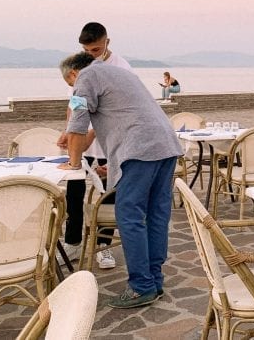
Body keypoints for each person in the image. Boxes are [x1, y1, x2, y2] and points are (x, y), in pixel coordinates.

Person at [59, 52, 184, 308]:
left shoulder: (85, 77)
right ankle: (154, 281)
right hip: (166, 145)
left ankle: (141, 286)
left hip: (140, 149)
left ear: (73, 74)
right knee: (156, 214)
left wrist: (73, 163)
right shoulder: (120, 73)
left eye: (70, 85)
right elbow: (126, 112)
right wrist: (114, 161)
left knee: (128, 215)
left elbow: (77, 123)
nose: (74, 89)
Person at [57, 22, 133, 268]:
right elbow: (75, 104)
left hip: (109, 143)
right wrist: (68, 132)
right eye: (86, 50)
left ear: (107, 42)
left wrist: (88, 133)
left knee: (108, 193)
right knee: (74, 192)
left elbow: (119, 111)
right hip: (83, 144)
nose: (90, 54)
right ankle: (73, 241)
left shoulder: (121, 68)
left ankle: (103, 246)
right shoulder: (81, 66)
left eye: (95, 49)